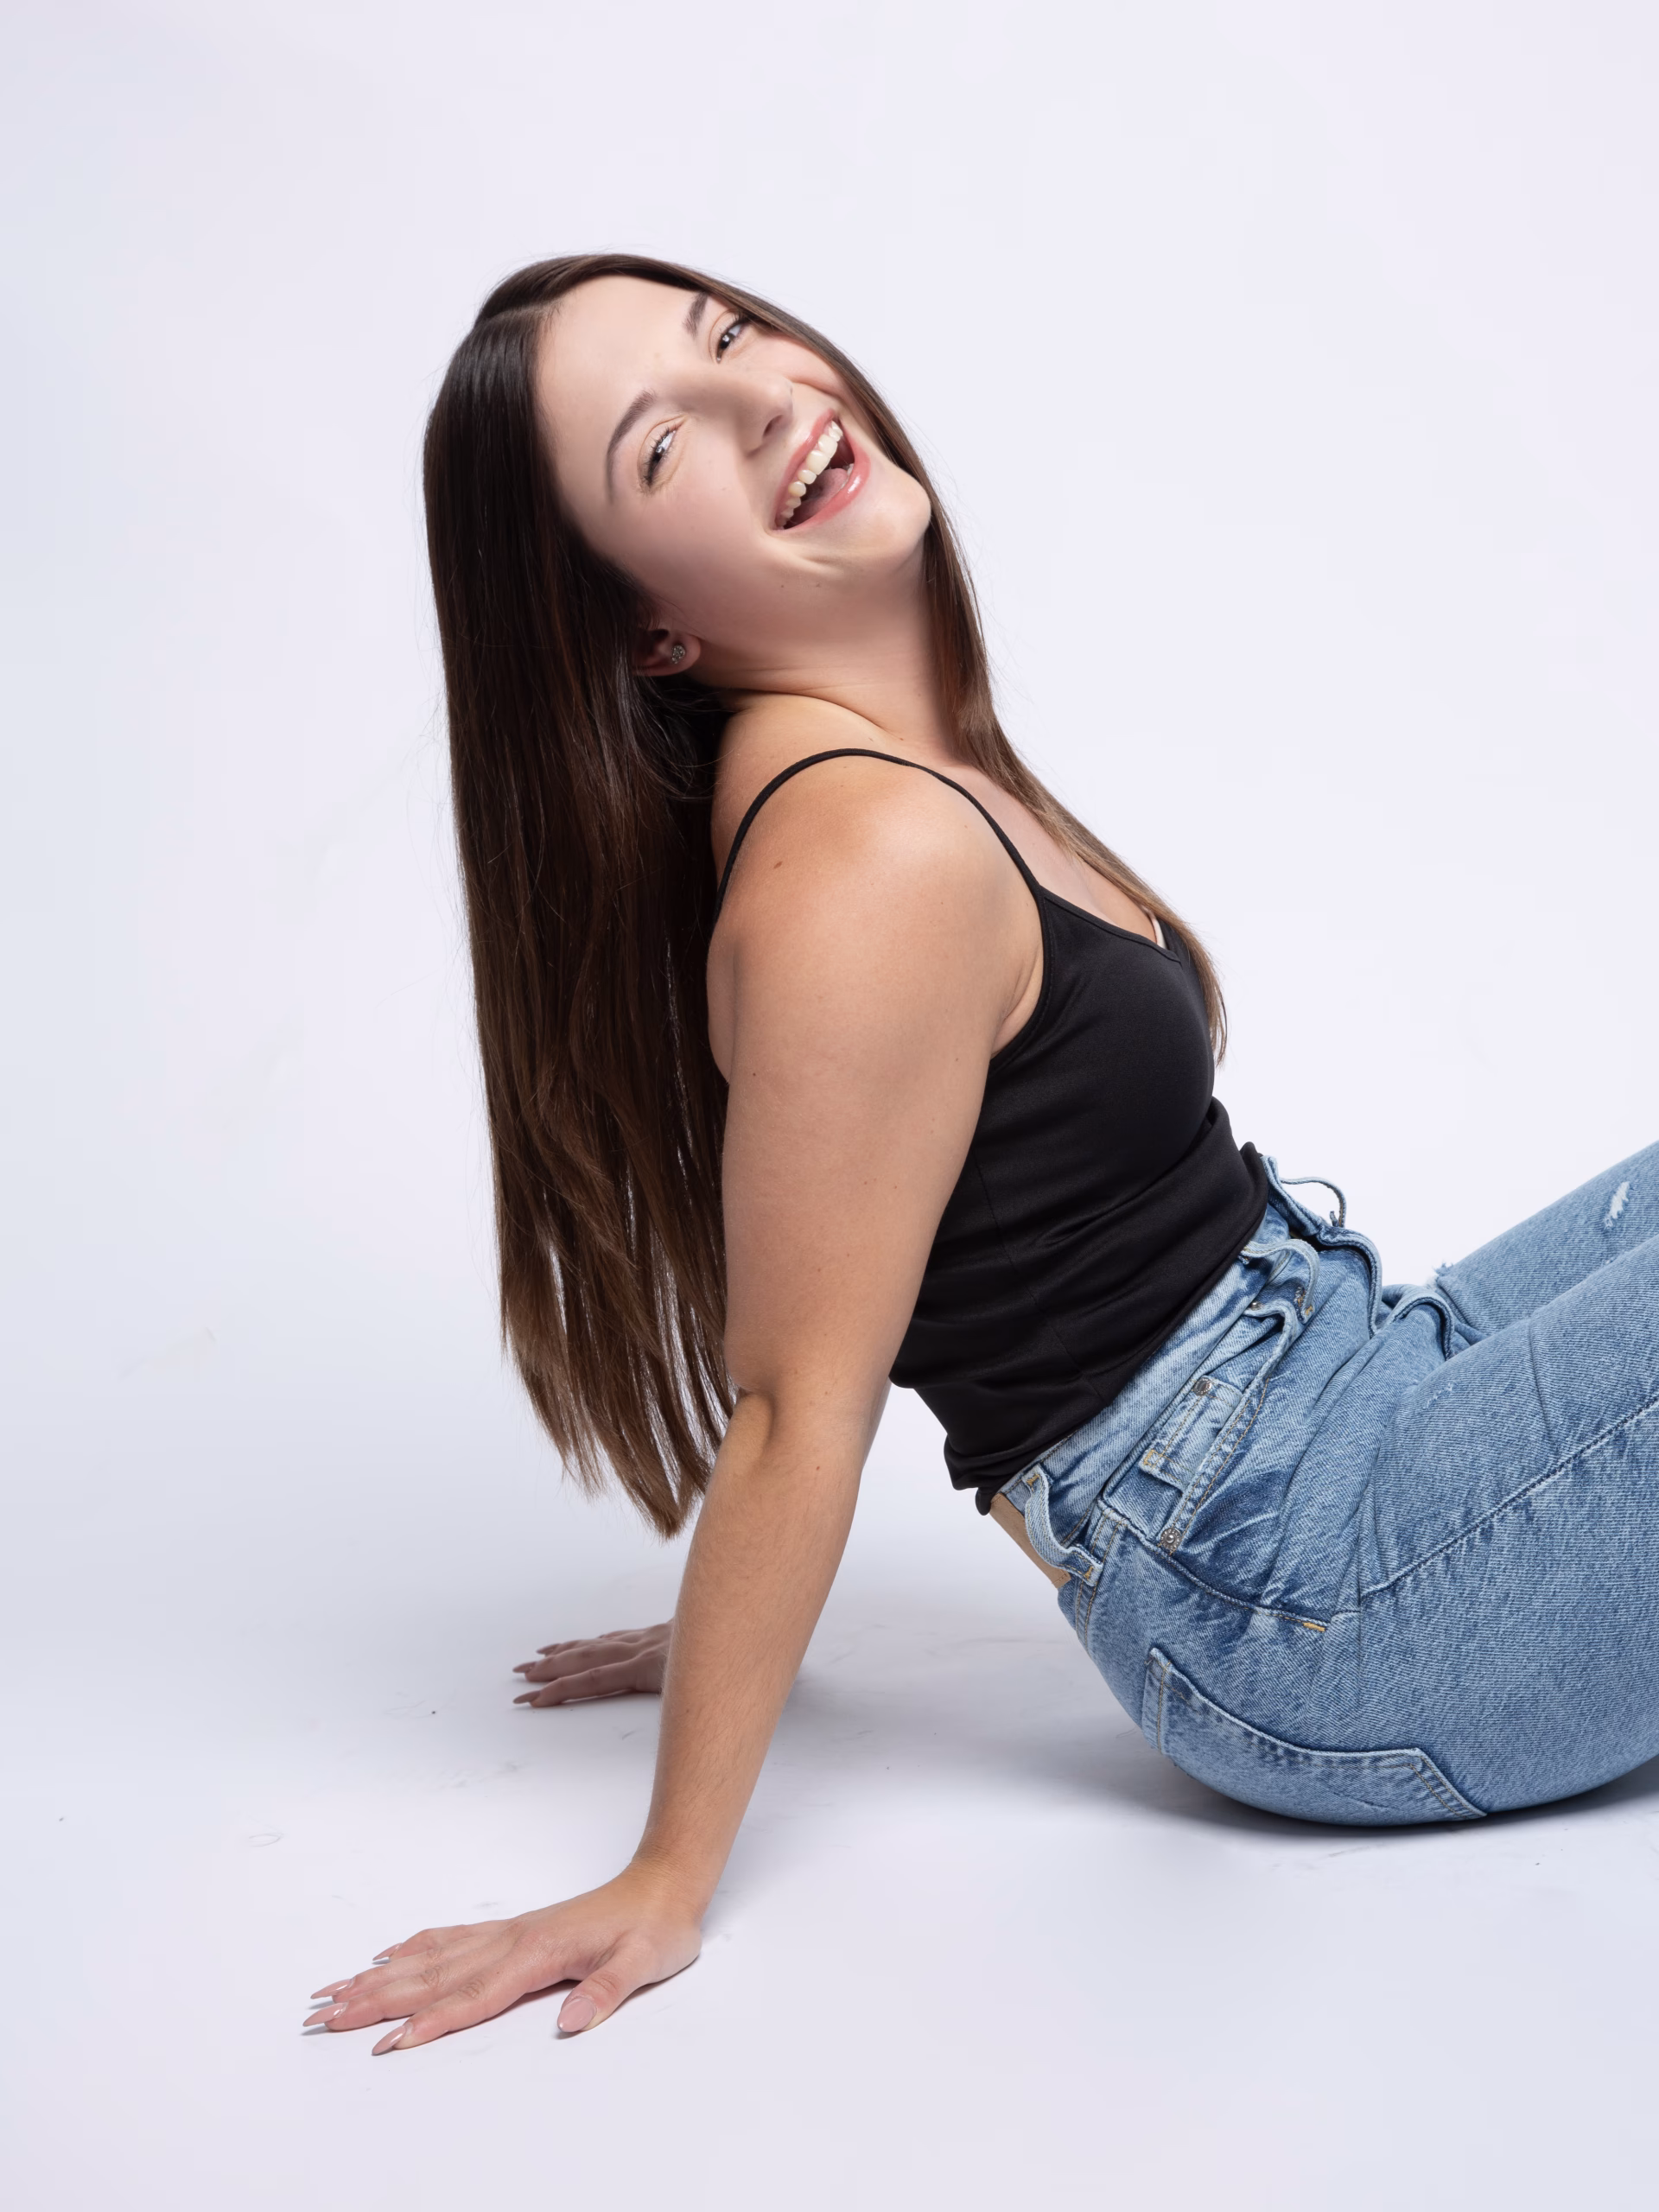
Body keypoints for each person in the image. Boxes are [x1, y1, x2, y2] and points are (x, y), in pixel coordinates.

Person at [306, 253, 1659, 2054]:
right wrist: (664, 1874)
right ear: (645, 632)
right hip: (1316, 1604)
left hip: (1356, 1388)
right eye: (663, 448)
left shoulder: (907, 762)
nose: (764, 401)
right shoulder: (859, 857)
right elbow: (801, 1400)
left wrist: (719, 1629)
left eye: (729, 335)